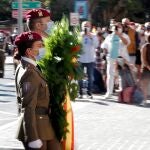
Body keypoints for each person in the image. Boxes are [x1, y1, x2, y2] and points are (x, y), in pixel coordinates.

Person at [14, 31, 61, 150]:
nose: (41, 49)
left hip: (44, 125)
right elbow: (28, 107)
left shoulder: (28, 67)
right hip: (36, 127)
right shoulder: (29, 73)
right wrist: (33, 137)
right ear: (29, 51)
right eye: (39, 46)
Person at [101, 23, 130, 98]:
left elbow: (126, 43)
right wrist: (105, 51)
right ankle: (109, 92)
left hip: (121, 58)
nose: (117, 28)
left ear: (122, 28)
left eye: (119, 27)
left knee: (122, 76)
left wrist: (119, 35)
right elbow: (104, 45)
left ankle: (123, 93)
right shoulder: (109, 36)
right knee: (110, 75)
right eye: (116, 27)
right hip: (111, 58)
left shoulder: (124, 35)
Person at [78, 21, 99, 98]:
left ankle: (89, 93)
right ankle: (80, 93)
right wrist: (81, 37)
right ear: (82, 27)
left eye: (87, 26)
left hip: (90, 59)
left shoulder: (93, 35)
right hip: (80, 59)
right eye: (84, 26)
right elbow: (75, 45)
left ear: (90, 27)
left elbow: (96, 45)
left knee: (90, 77)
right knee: (79, 77)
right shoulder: (79, 35)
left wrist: (90, 37)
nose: (86, 27)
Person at [140, 35, 150, 105]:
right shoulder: (145, 47)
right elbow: (143, 60)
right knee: (145, 85)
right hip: (146, 68)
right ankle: (144, 100)